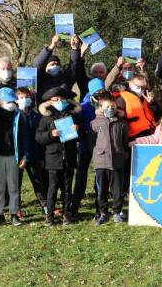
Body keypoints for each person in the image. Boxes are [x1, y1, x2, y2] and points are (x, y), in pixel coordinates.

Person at [0, 87, 31, 228]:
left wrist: (25, 156)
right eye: (7, 101)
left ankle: (14, 213)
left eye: (12, 101)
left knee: (14, 186)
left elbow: (25, 138)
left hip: (13, 157)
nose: (11, 104)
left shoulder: (19, 117)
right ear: (0, 102)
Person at [36, 87, 82, 226]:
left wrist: (78, 131)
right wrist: (51, 134)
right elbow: (38, 137)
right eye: (55, 99)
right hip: (53, 158)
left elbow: (81, 137)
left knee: (67, 188)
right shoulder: (46, 117)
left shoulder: (72, 116)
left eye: (61, 99)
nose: (59, 101)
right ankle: (49, 216)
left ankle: (66, 214)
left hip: (69, 157)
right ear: (50, 102)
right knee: (52, 188)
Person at [73, 78, 110, 217]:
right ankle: (74, 207)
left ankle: (99, 208)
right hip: (85, 144)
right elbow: (76, 124)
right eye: (98, 92)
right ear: (92, 92)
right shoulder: (83, 106)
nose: (100, 95)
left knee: (99, 177)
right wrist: (81, 131)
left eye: (102, 92)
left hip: (101, 145)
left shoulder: (107, 104)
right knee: (81, 175)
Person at [89, 95, 129, 225]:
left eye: (113, 106)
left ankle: (117, 211)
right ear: (101, 108)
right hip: (101, 161)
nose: (110, 108)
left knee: (117, 189)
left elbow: (124, 142)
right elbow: (91, 142)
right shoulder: (95, 123)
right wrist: (97, 155)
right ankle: (103, 212)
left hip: (117, 162)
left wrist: (123, 154)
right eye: (107, 106)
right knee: (102, 189)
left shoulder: (122, 124)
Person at [16, 87, 49, 214]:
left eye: (27, 97)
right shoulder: (15, 116)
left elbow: (39, 136)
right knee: (16, 183)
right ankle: (16, 207)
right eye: (21, 97)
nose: (25, 100)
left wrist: (40, 157)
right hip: (19, 155)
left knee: (37, 180)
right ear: (16, 100)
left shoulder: (36, 116)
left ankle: (45, 204)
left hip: (34, 154)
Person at [33, 34, 82, 104]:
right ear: (45, 67)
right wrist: (51, 47)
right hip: (45, 112)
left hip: (65, 113)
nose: (55, 66)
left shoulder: (65, 79)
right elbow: (37, 65)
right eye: (52, 64)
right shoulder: (40, 79)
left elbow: (73, 67)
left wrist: (74, 49)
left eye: (57, 64)